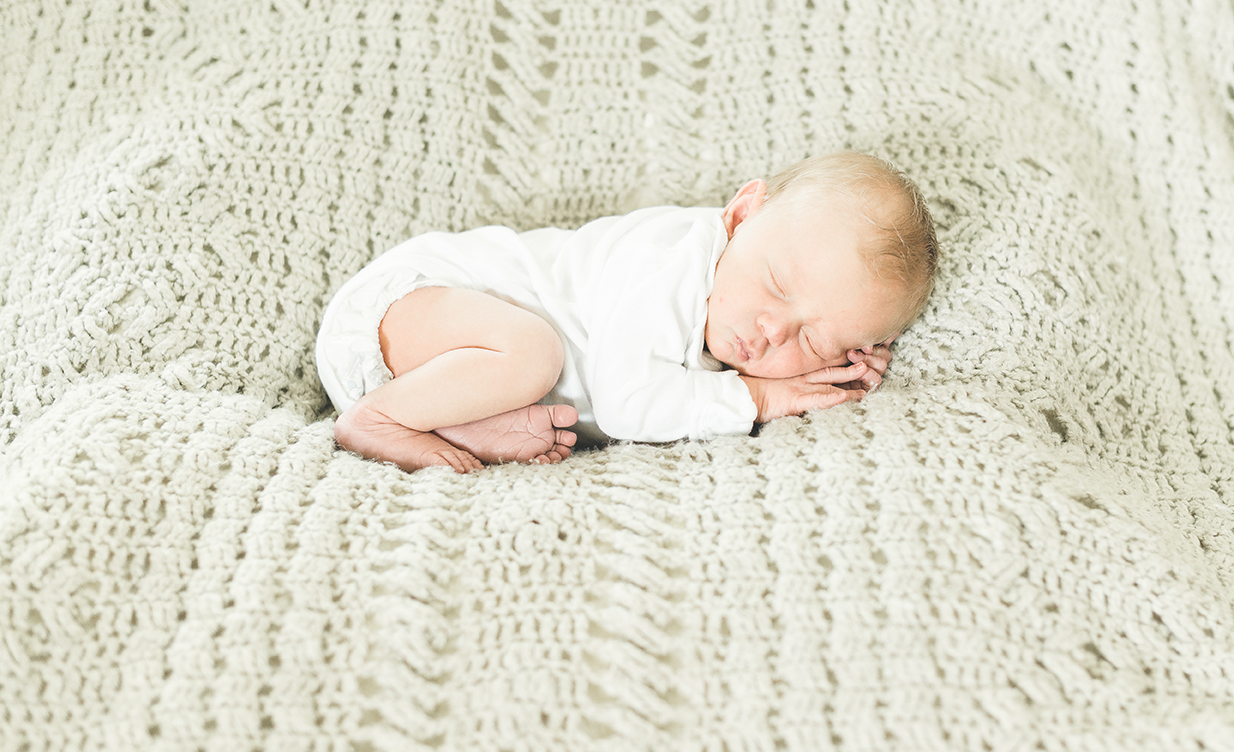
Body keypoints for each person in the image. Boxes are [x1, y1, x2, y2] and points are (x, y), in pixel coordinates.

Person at [316, 151, 938, 473]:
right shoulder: (672, 259)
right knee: (532, 352)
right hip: (399, 313)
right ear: (742, 215)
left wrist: (841, 371)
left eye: (816, 339)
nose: (773, 331)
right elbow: (628, 405)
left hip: (449, 380)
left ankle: (453, 425)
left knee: (542, 412)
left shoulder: (746, 323)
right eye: (776, 285)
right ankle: (379, 419)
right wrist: (761, 398)